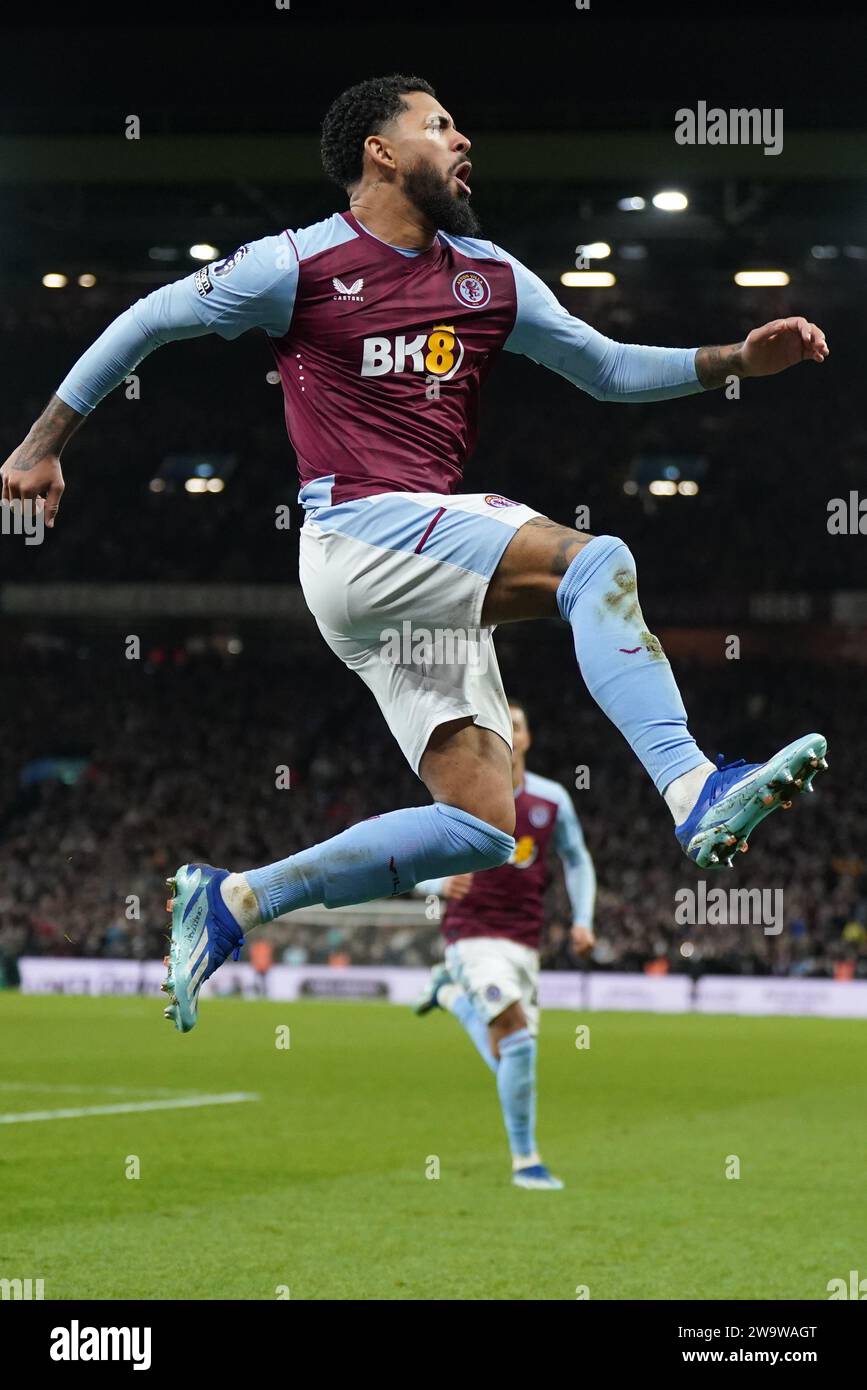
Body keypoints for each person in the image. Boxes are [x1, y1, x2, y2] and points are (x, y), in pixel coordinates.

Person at [1, 74, 828, 1035]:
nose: (462, 140)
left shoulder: (489, 276)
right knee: (594, 563)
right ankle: (694, 790)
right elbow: (149, 319)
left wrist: (733, 361)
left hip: (404, 577)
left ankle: (232, 902)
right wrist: (42, 440)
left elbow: (603, 367)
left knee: (481, 825)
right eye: (439, 126)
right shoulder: (297, 263)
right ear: (380, 152)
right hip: (357, 530)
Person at [414, 699, 596, 1189]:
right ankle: (526, 1161)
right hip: (469, 936)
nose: (509, 732)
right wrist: (436, 886)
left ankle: (449, 995)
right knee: (516, 1040)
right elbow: (414, 854)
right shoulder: (462, 794)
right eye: (501, 724)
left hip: (524, 942)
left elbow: (576, 860)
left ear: (527, 737)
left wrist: (582, 919)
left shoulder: (552, 800)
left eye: (517, 724)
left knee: (512, 1053)